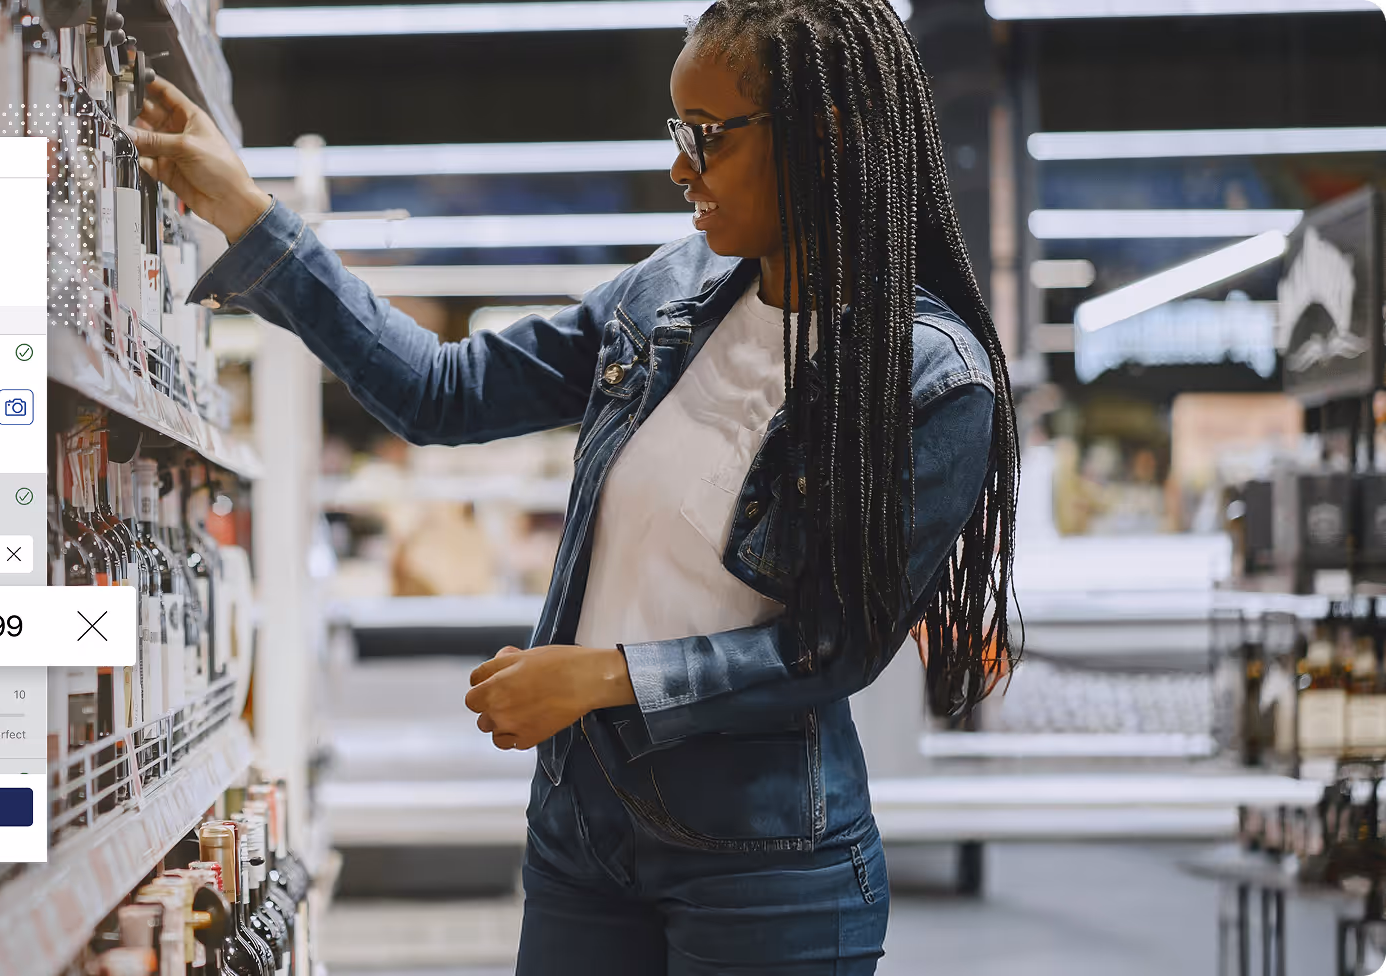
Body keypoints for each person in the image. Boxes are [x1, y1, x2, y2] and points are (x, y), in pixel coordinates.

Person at [133, 0, 1019, 970]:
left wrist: (599, 678)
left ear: (824, 135)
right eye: (677, 133)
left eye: (708, 138)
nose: (681, 168)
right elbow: (443, 391)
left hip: (764, 863)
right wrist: (247, 212)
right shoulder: (667, 294)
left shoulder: (931, 377)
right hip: (583, 828)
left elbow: (831, 646)